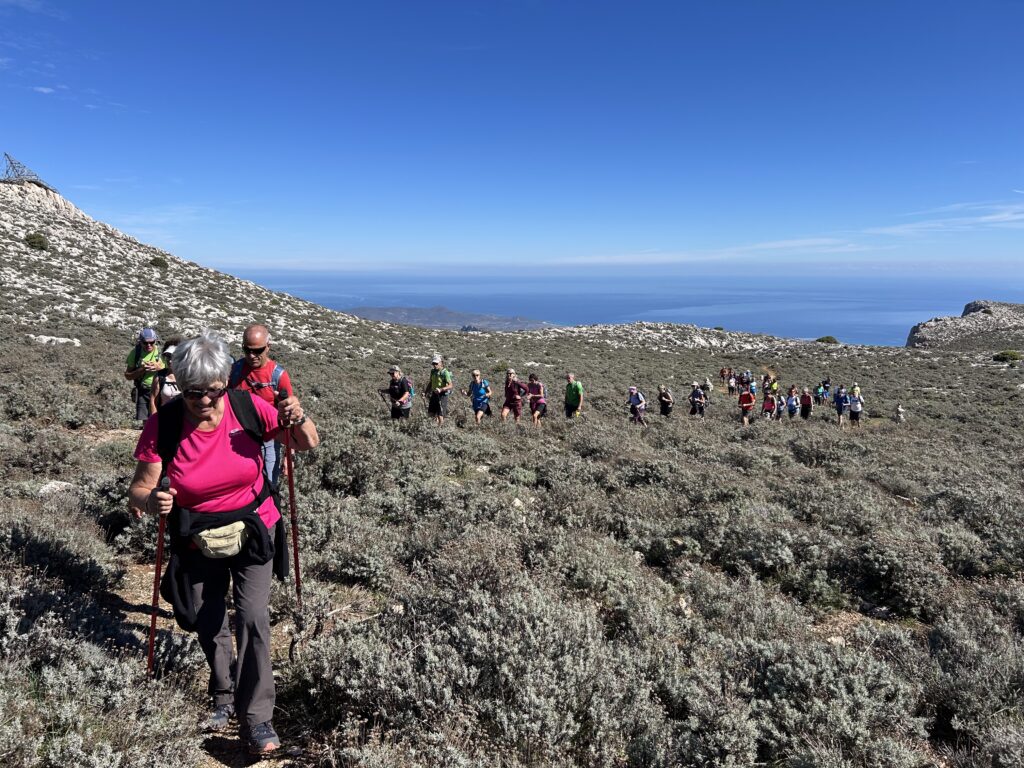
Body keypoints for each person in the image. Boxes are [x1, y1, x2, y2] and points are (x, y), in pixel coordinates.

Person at [128, 332, 319, 756]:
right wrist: (153, 499)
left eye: (212, 391)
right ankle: (222, 694)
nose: (204, 402)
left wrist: (298, 417)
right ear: (181, 384)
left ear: (223, 383)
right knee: (207, 617)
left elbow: (305, 443)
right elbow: (137, 490)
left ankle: (257, 718)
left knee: (252, 618)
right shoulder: (165, 424)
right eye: (193, 392)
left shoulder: (248, 408)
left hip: (253, 528)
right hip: (196, 536)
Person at [228, 324, 293, 489]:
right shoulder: (235, 370)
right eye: (247, 350)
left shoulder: (278, 376)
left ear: (268, 347)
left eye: (258, 351)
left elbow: (288, 415)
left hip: (269, 440)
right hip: (238, 439)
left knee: (269, 484)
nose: (252, 355)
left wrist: (289, 453)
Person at [125, 328, 165, 423]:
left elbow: (173, 373)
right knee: (147, 423)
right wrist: (142, 370)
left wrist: (158, 368)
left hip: (160, 391)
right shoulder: (135, 353)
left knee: (162, 420)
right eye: (145, 343)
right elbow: (128, 376)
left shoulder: (162, 353)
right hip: (143, 391)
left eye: (152, 342)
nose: (149, 345)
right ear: (140, 342)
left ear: (156, 340)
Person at [149, 338, 182, 414]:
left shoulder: (188, 376)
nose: (170, 360)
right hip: (164, 419)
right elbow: (153, 400)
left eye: (174, 357)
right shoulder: (160, 376)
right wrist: (154, 421)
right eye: (168, 356)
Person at [426, 354, 454, 426]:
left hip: (442, 395)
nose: (434, 365)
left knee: (440, 414)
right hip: (434, 394)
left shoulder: (445, 372)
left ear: (441, 363)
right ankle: (431, 428)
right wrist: (425, 392)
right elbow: (431, 382)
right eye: (433, 363)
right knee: (430, 413)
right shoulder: (433, 371)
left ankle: (440, 430)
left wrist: (441, 389)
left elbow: (450, 385)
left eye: (436, 363)